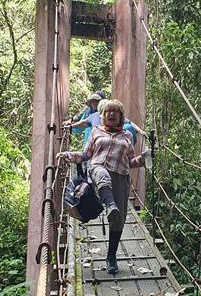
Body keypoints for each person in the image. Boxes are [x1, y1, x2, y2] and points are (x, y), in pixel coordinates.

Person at [57, 100, 145, 275]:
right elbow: (86, 155)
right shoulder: (96, 132)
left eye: (115, 112)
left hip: (120, 176)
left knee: (117, 220)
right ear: (103, 116)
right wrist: (68, 155)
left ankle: (111, 257)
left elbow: (130, 162)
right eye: (107, 112)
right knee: (101, 173)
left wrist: (143, 160)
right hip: (97, 170)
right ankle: (110, 204)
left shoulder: (127, 135)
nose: (111, 114)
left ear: (121, 116)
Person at [65, 99, 147, 146]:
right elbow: (83, 123)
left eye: (113, 111)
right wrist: (71, 126)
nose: (111, 114)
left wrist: (140, 131)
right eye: (108, 112)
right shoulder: (93, 117)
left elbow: (130, 123)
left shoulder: (125, 132)